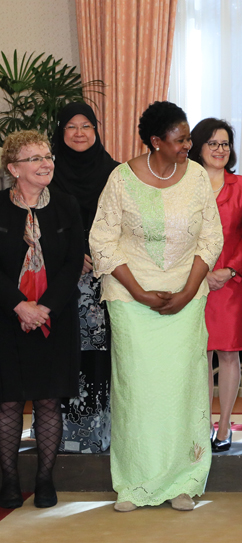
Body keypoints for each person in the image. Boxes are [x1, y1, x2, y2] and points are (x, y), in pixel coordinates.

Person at [90, 101, 223, 512]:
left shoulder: (198, 177)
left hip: (186, 297)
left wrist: (187, 290)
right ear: (155, 142)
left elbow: (211, 238)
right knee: (138, 391)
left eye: (187, 138)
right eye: (181, 139)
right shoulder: (121, 178)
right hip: (130, 300)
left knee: (180, 389)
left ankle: (183, 480)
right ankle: (133, 483)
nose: (188, 144)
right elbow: (102, 240)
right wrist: (141, 292)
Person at [0, 130, 83, 509]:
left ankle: (45, 480)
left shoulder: (66, 205)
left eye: (47, 156)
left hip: (55, 317)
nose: (45, 163)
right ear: (14, 168)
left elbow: (72, 264)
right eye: (33, 158)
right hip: (7, 318)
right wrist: (20, 305)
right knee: (8, 403)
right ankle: (10, 482)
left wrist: (44, 307)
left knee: (49, 401)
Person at [50, 102, 118, 453]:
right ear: (61, 132)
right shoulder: (48, 174)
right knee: (64, 355)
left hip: (109, 281)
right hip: (61, 282)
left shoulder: (117, 173)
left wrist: (102, 257)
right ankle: (59, 439)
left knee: (102, 358)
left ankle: (101, 436)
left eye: (86, 125)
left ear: (97, 129)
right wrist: (71, 257)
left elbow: (126, 226)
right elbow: (39, 226)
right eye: (71, 126)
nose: (79, 133)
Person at [189, 118, 242, 453]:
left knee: (229, 355)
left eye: (225, 144)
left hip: (233, 284)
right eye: (213, 143)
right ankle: (202, 422)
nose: (220, 149)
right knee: (200, 355)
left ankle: (226, 424)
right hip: (193, 282)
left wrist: (230, 270)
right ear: (198, 147)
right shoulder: (183, 184)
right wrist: (202, 274)